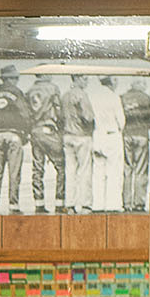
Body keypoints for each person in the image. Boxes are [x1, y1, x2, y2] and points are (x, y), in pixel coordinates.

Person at [0, 65, 31, 214]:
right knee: (14, 172)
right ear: (10, 79)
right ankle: (13, 206)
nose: (17, 81)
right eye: (16, 78)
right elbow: (25, 114)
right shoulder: (16, 93)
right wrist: (25, 135)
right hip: (14, 135)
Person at [26, 71, 66, 213]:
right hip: (49, 130)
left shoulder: (29, 91)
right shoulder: (52, 88)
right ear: (44, 75)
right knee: (61, 166)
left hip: (34, 131)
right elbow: (59, 110)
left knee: (37, 168)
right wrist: (61, 128)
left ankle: (39, 204)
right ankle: (60, 203)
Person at [62, 71, 95, 213]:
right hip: (82, 135)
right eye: (85, 78)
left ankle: (69, 204)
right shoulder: (82, 95)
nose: (87, 81)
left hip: (67, 135)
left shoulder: (64, 96)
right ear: (77, 78)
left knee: (70, 171)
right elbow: (88, 117)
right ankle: (85, 204)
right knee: (85, 170)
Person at [92, 74, 125, 213]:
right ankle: (113, 204)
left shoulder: (93, 97)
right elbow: (121, 121)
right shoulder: (114, 97)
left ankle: (97, 204)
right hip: (112, 135)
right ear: (112, 81)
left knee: (98, 171)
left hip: (98, 135)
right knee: (114, 171)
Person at [120, 76, 150, 212]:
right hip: (141, 135)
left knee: (127, 169)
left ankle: (127, 203)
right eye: (143, 83)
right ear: (138, 84)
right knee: (140, 169)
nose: (145, 86)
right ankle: (139, 203)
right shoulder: (145, 98)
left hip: (127, 134)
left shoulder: (123, 97)